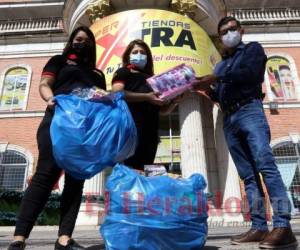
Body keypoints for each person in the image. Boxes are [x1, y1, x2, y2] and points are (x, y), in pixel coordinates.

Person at [194, 16, 298, 249]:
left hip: (249, 110)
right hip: (229, 118)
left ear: (241, 30)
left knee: (265, 164)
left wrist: (216, 77)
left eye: (232, 29)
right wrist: (205, 89)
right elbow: (219, 95)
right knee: (248, 175)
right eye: (224, 32)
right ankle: (259, 226)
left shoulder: (252, 50)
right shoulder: (220, 64)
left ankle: (283, 225)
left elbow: (249, 75)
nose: (228, 34)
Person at [7, 26, 106, 250]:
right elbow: (44, 84)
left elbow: (101, 99)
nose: (81, 43)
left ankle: (64, 239)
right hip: (57, 121)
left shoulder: (97, 74)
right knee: (45, 175)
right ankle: (19, 237)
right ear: (71, 41)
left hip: (83, 129)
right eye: (78, 39)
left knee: (75, 179)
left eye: (86, 40)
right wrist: (50, 99)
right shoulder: (58, 61)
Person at [111, 39, 181, 171]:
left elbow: (162, 111)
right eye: (135, 52)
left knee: (144, 170)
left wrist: (175, 101)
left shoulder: (154, 79)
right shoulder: (123, 72)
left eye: (142, 52)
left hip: (150, 134)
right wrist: (146, 97)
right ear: (128, 56)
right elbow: (117, 93)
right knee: (129, 170)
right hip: (130, 130)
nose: (139, 54)